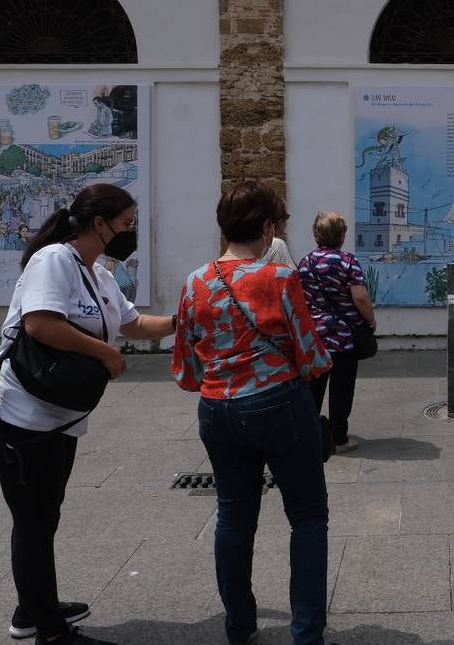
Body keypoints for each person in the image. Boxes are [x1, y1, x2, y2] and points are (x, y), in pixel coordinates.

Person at [0, 184, 175, 645]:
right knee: (34, 519)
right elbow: (39, 323)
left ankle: (33, 605)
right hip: (16, 418)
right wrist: (105, 353)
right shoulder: (54, 261)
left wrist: (188, 315)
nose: (130, 232)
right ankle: (49, 630)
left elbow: (135, 324)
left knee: (46, 514)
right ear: (99, 224)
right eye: (125, 224)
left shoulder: (100, 275)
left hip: (55, 417)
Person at [174, 181, 332, 645]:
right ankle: (306, 635)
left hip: (217, 407)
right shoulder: (280, 278)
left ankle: (239, 627)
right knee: (307, 516)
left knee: (234, 517)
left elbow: (187, 363)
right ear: (267, 228)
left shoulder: (195, 280)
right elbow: (312, 354)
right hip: (278, 402)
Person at [297, 211, 377, 453]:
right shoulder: (347, 262)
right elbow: (360, 297)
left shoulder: (305, 263)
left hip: (316, 338)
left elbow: (299, 299)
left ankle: (309, 436)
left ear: (316, 234)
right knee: (342, 390)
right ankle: (339, 438)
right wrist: (371, 320)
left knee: (314, 389)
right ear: (341, 236)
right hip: (344, 339)